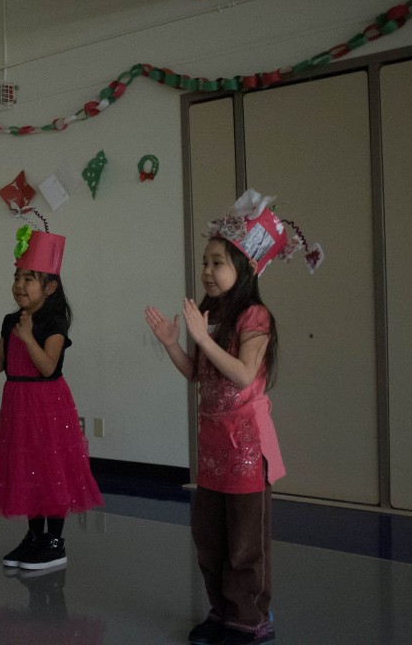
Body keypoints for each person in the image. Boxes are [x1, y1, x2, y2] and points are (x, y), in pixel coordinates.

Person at [145, 189, 311, 645]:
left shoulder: (255, 315)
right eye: (205, 261)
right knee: (210, 537)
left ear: (246, 268)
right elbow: (198, 376)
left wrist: (203, 337)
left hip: (247, 447)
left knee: (244, 542)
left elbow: (241, 374)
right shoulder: (210, 314)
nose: (207, 271)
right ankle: (221, 613)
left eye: (217, 262)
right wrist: (173, 343)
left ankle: (251, 620)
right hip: (214, 445)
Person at [0, 227, 102, 572]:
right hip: (17, 401)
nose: (19, 285)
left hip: (47, 402)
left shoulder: (55, 320)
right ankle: (34, 537)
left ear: (49, 287)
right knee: (29, 468)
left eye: (28, 278)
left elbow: (48, 367)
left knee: (50, 469)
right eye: (17, 277)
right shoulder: (10, 320)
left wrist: (28, 336)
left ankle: (54, 542)